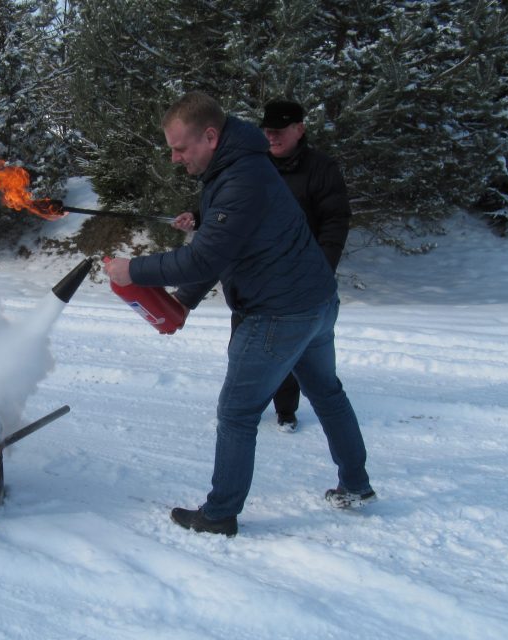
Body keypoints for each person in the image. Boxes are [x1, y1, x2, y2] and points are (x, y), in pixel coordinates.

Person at [104, 91, 375, 537]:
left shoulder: (238, 177)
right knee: (328, 393)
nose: (174, 158)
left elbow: (204, 259)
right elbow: (230, 246)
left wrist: (131, 269)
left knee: (237, 413)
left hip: (279, 313)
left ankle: (220, 513)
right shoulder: (238, 165)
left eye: (180, 148)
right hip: (315, 303)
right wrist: (183, 300)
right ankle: (356, 485)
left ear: (210, 136)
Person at [260, 99, 352, 433]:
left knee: (294, 351)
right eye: (267, 131)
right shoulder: (255, 166)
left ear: (299, 129)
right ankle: (243, 408)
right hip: (256, 276)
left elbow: (335, 222)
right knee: (243, 346)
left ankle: (286, 412)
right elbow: (232, 207)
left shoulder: (321, 168)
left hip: (301, 279)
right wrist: (199, 217)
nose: (271, 137)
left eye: (278, 130)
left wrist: (321, 270)